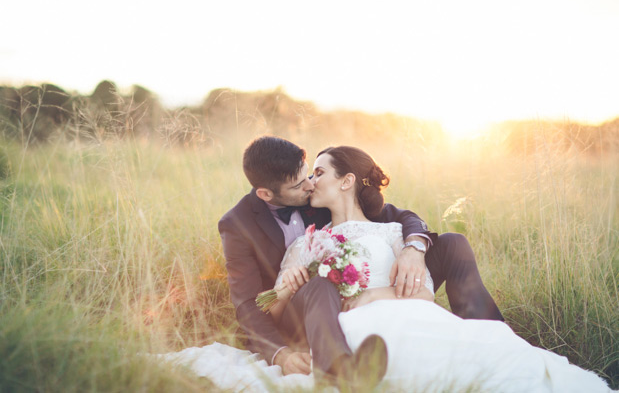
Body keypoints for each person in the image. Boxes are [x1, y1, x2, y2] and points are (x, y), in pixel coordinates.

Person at [272, 145, 611, 391]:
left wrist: (375, 294)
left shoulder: (391, 233)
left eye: (319, 173)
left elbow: (421, 292)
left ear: (347, 181)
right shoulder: (308, 242)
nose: (311, 182)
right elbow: (273, 310)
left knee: (483, 360)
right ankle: (346, 374)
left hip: (400, 314)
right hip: (338, 329)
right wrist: (286, 288)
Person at [218, 136, 503, 383]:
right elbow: (248, 305)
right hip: (303, 316)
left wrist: (413, 248)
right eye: (302, 182)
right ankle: (340, 373)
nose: (309, 185)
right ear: (267, 194)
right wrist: (281, 354)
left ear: (347, 181)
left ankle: (495, 336)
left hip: (388, 305)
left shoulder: (374, 223)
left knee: (454, 243)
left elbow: (404, 219)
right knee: (320, 284)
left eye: (313, 174)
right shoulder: (245, 226)